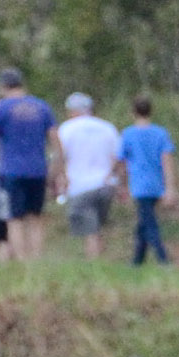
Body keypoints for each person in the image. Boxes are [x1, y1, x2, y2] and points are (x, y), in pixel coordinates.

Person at [0, 69, 54, 267]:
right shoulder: (42, 106)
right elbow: (55, 139)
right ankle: (36, 261)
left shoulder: (1, 108)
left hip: (12, 172)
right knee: (35, 217)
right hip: (38, 170)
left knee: (14, 218)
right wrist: (58, 168)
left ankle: (22, 261)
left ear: (2, 87)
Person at [52, 91, 120, 257]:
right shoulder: (107, 127)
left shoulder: (66, 129)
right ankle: (100, 260)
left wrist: (57, 179)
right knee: (97, 226)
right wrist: (119, 182)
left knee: (90, 231)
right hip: (106, 184)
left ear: (72, 110)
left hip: (80, 186)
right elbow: (118, 157)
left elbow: (59, 157)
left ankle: (94, 263)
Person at [116, 99, 178, 267]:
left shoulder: (128, 134)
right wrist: (170, 187)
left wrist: (121, 185)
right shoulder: (160, 133)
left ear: (133, 112)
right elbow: (167, 160)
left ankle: (163, 259)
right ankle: (137, 261)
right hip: (156, 184)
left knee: (149, 223)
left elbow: (121, 162)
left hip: (138, 185)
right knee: (144, 221)